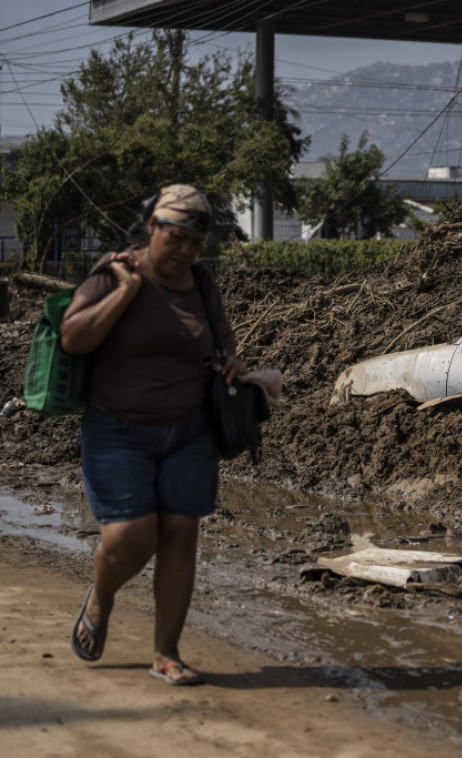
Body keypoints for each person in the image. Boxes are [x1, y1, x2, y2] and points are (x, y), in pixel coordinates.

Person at [61, 184, 245, 685]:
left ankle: (166, 653)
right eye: (176, 237)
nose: (184, 250)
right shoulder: (116, 269)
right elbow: (73, 337)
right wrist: (124, 293)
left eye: (194, 242)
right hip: (117, 429)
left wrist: (230, 361)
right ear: (153, 228)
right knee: (128, 539)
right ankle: (101, 596)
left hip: (189, 432)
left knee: (180, 536)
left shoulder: (202, 282)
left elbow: (222, 336)